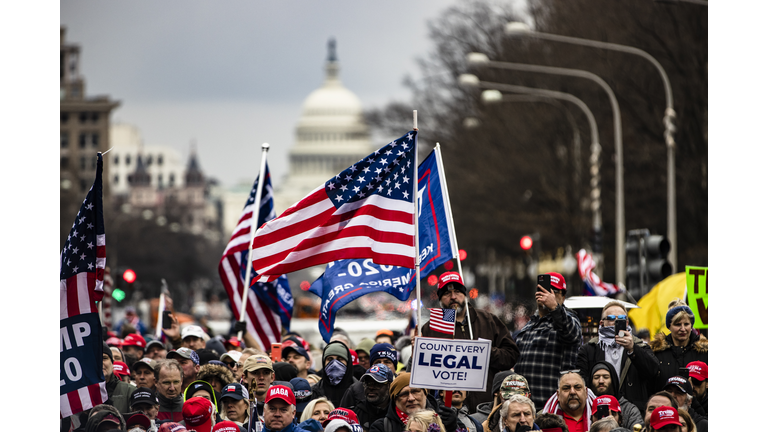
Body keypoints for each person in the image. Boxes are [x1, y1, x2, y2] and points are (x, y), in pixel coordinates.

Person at [420, 272, 520, 412]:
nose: (453, 297)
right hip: (448, 410)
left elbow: (511, 355)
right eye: (447, 293)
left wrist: (484, 352)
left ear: (465, 294)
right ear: (440, 298)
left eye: (457, 292)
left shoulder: (488, 320)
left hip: (486, 408)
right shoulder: (431, 329)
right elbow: (423, 375)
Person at [514, 273, 582, 408]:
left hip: (553, 407)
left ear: (562, 297)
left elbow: (570, 333)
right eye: (542, 290)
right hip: (526, 407)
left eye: (553, 292)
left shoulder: (569, 319)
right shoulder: (529, 325)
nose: (546, 294)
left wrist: (555, 308)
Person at [577, 301, 659, 412]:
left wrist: (632, 349)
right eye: (611, 318)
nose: (616, 321)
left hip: (632, 409)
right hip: (601, 407)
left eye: (621, 318)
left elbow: (653, 372)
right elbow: (583, 381)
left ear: (627, 322)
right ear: (602, 323)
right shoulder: (589, 349)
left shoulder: (640, 345)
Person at [649, 301, 707, 392]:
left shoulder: (704, 351)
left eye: (686, 324)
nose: (683, 329)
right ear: (669, 326)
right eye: (678, 324)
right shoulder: (656, 352)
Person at [369, 372, 457, 432]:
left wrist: (451, 429)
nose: (411, 398)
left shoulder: (446, 418)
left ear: (425, 394)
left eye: (415, 392)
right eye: (404, 394)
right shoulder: (381, 427)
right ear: (395, 399)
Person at [585, 361, 643, 429]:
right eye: (596, 377)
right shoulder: (586, 407)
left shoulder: (629, 409)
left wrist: (615, 428)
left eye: (606, 377)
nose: (601, 381)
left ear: (613, 380)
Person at [310, 340, 358, 408]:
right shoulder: (315, 391)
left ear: (348, 362)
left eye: (340, 359)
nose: (334, 363)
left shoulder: (359, 391)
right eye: (330, 359)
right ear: (324, 363)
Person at [346, 365, 395, 431]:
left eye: (377, 384)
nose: (371, 388)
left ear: (389, 386)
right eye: (368, 383)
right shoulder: (355, 414)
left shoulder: (397, 414)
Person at [102, 342, 135, 414]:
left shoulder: (130, 391)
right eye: (95, 359)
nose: (101, 362)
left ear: (112, 363)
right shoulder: (83, 393)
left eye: (104, 358)